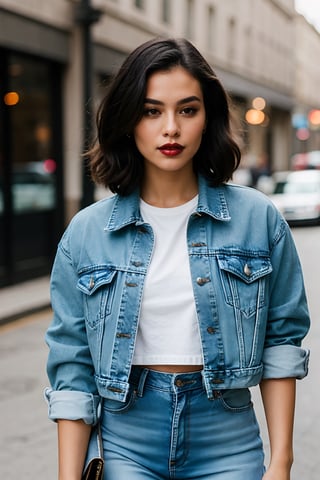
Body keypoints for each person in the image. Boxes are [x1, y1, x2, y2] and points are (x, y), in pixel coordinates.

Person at [45, 37, 310, 480]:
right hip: (125, 438)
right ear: (130, 120)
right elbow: (72, 364)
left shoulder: (257, 218)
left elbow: (281, 340)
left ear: (208, 118)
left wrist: (281, 462)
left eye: (187, 110)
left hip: (227, 439)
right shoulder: (87, 233)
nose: (171, 128)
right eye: (152, 111)